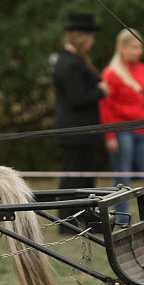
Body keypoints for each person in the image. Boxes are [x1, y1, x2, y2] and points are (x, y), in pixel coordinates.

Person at [99, 29, 144, 236]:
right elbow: (106, 108)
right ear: (121, 48)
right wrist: (110, 135)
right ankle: (121, 224)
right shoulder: (111, 74)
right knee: (123, 179)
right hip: (122, 132)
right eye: (134, 46)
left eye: (140, 46)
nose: (138, 51)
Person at [52, 12, 109, 229]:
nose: (93, 41)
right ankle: (68, 221)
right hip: (74, 131)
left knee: (84, 178)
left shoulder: (74, 61)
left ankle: (84, 217)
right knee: (74, 178)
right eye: (91, 36)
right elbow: (77, 98)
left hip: (82, 132)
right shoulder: (70, 64)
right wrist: (100, 91)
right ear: (81, 37)